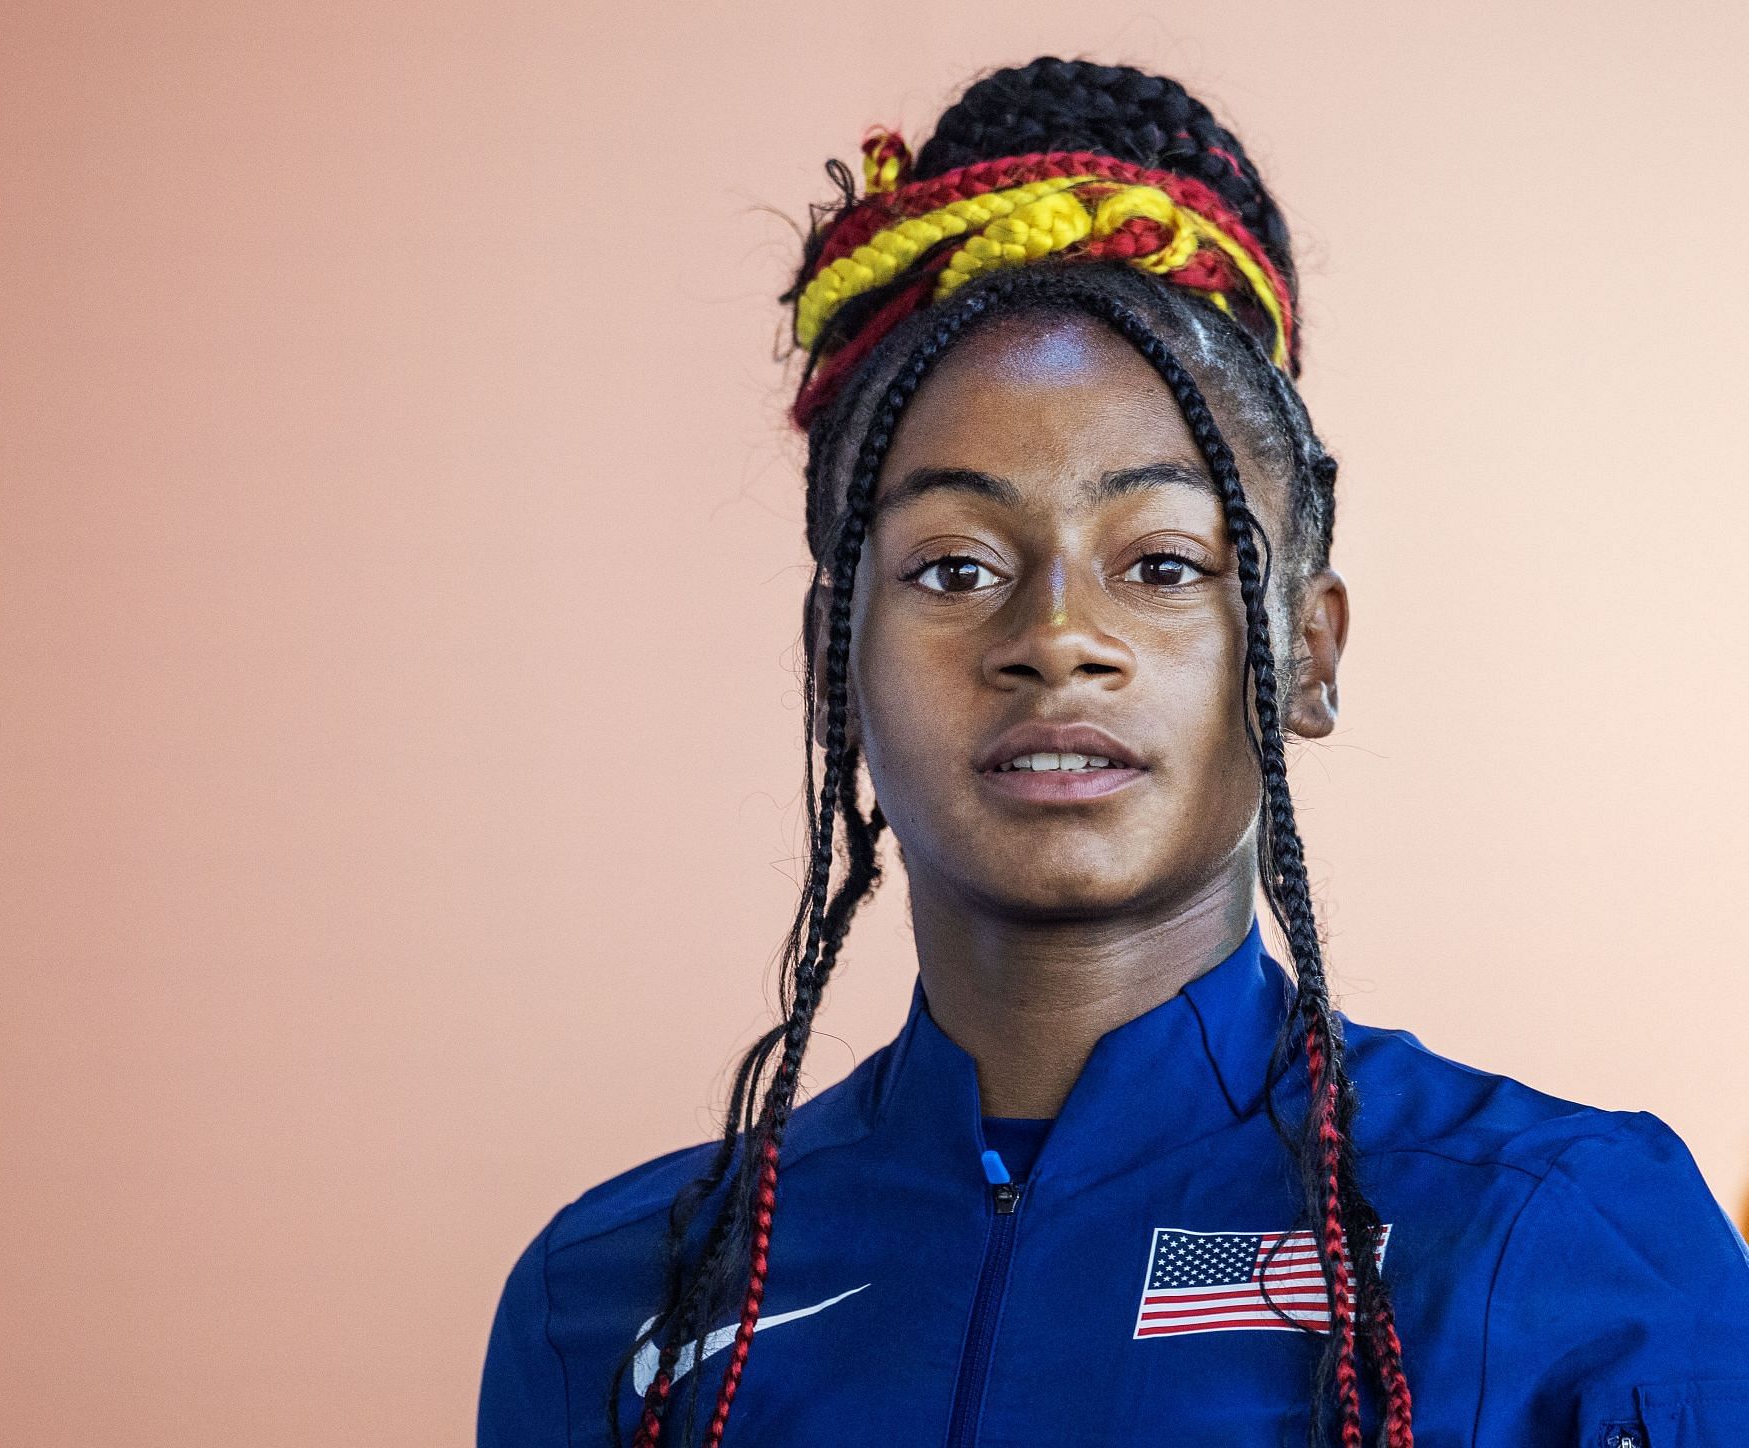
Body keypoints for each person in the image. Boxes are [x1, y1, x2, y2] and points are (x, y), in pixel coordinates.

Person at [477, 57, 1749, 1447]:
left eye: (1160, 561)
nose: (1058, 636)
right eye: (956, 569)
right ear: (832, 660)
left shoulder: (1556, 1236)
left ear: (1307, 654)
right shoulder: (618, 1300)